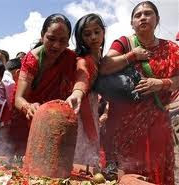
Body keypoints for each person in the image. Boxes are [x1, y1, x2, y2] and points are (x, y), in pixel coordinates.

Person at [99, 1, 179, 184]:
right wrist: (132, 56)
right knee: (121, 175)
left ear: (157, 20)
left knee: (154, 174)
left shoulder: (173, 50)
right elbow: (104, 67)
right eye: (138, 15)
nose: (143, 17)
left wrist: (160, 83)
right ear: (132, 23)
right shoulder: (124, 43)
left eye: (148, 13)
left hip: (157, 126)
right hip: (122, 126)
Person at [12, 13, 90, 155]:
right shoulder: (32, 60)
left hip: (54, 123)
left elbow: (82, 74)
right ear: (42, 35)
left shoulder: (70, 58)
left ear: (68, 42)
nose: (56, 45)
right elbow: (19, 99)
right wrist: (29, 107)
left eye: (62, 40)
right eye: (51, 39)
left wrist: (77, 92)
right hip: (28, 122)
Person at [72, 13, 106, 166]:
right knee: (80, 159)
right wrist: (78, 92)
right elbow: (82, 78)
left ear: (103, 32)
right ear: (80, 38)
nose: (93, 37)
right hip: (80, 111)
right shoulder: (83, 60)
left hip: (92, 111)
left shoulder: (101, 58)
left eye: (97, 32)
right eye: (87, 34)